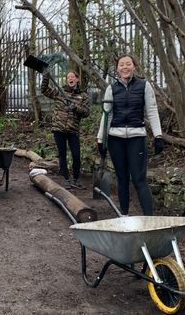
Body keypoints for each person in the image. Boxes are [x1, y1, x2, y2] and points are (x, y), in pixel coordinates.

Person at [96, 54, 164, 216]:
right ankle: (124, 216)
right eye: (121, 65)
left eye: (128, 64)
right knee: (122, 178)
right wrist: (101, 139)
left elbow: (152, 111)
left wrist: (158, 136)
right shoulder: (111, 89)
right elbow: (107, 115)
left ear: (134, 67)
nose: (125, 67)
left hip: (136, 137)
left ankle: (150, 219)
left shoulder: (144, 86)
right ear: (117, 69)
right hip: (115, 139)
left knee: (139, 179)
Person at [41, 68, 91, 189]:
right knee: (62, 154)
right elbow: (45, 90)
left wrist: (76, 108)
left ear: (77, 79)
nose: (70, 79)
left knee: (76, 155)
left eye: (72, 77)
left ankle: (76, 178)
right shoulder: (59, 92)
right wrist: (46, 78)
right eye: (68, 77)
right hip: (59, 128)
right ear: (66, 80)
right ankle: (66, 179)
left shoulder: (83, 96)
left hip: (73, 129)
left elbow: (87, 112)